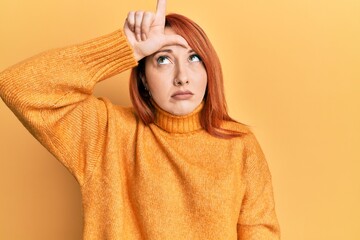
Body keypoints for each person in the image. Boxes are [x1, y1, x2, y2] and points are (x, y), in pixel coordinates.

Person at [0, 0, 280, 239]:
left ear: (209, 70)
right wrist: (125, 48)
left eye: (194, 58)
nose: (182, 75)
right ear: (143, 78)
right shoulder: (107, 132)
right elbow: (19, 86)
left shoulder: (240, 146)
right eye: (163, 60)